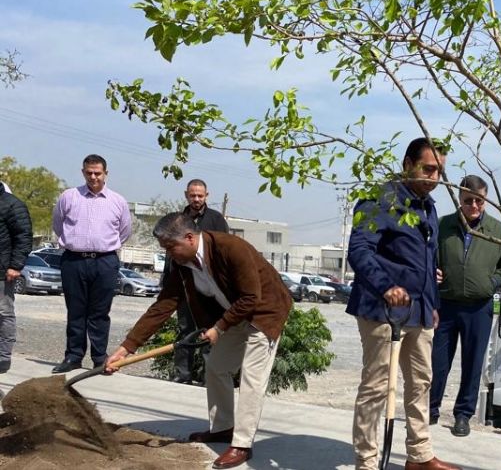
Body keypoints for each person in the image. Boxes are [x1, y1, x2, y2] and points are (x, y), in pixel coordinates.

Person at [105, 212, 292, 469]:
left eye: (170, 247)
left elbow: (251, 297)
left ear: (190, 238)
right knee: (216, 368)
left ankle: (241, 444)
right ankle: (223, 428)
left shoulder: (230, 248)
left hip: (264, 312)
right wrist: (127, 347)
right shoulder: (182, 266)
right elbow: (163, 306)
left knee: (252, 377)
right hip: (233, 315)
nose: (168, 254)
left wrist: (219, 327)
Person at [347, 137, 460, 470]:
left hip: (420, 312)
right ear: (407, 164)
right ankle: (367, 462)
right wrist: (387, 287)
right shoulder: (380, 199)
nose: (434, 178)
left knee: (421, 382)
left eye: (439, 171)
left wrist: (432, 301)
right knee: (377, 387)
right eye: (428, 169)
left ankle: (419, 455)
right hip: (383, 311)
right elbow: (360, 250)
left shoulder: (428, 206)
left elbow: (423, 259)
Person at [429, 175, 501, 436]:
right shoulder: (443, 225)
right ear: (460, 200)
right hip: (445, 304)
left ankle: (463, 415)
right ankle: (430, 409)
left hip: (479, 308)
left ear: (485, 200)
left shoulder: (497, 230)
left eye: (480, 201)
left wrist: (491, 283)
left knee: (472, 364)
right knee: (437, 361)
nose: (474, 206)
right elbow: (429, 254)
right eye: (469, 201)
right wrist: (431, 272)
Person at [51, 154, 133, 373]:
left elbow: (124, 231)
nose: (93, 177)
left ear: (106, 173)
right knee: (75, 310)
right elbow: (58, 225)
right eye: (89, 173)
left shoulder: (117, 201)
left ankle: (99, 358)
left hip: (105, 262)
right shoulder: (69, 197)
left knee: (99, 311)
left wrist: (103, 246)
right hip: (74, 260)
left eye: (98, 173)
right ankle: (73, 356)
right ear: (83, 172)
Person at [172, 178, 230, 384]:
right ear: (186, 195)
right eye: (192, 195)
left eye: (200, 195)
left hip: (208, 287)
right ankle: (182, 374)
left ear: (207, 196)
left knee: (209, 330)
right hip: (185, 285)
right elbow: (170, 251)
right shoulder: (178, 220)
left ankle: (210, 376)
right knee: (185, 330)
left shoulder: (216, 220)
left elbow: (224, 251)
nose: (196, 199)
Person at [1, 184, 32, 374]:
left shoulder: (12, 204)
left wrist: (15, 265)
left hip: (3, 271)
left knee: (3, 313)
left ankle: (3, 357)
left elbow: (23, 236)